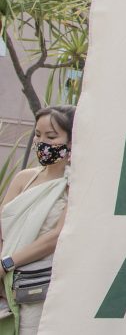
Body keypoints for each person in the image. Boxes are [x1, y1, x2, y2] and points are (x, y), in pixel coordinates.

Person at [0, 105, 75, 335]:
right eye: (38, 135)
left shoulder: (74, 185)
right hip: (4, 281)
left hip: (37, 284)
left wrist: (7, 264)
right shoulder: (24, 178)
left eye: (51, 136)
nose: (42, 143)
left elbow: (56, 236)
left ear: (71, 142)